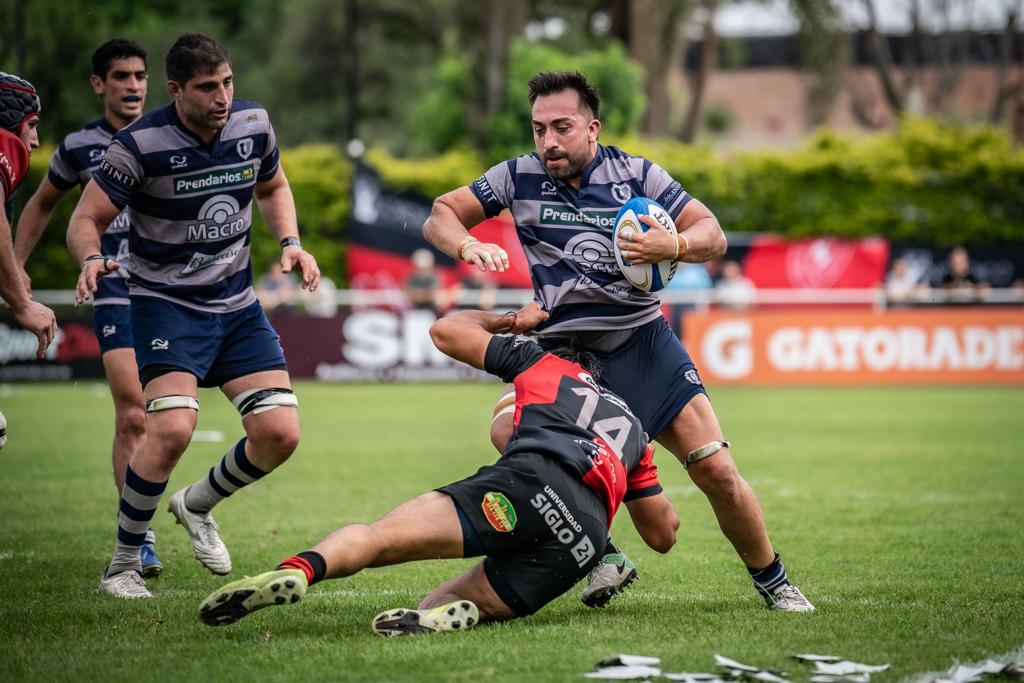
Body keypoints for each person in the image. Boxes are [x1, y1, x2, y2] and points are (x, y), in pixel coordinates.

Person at [422, 71, 813, 612]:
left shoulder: (637, 175)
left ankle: (774, 582)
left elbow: (712, 234)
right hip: (563, 349)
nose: (548, 142)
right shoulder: (517, 177)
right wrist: (465, 244)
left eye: (562, 127)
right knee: (507, 426)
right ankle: (604, 552)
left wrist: (672, 242)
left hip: (641, 343)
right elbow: (442, 212)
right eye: (539, 129)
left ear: (593, 128)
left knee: (716, 471)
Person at [196, 302, 679, 634]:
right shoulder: (635, 431)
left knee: (379, 537)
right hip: (581, 541)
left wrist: (509, 320)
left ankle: (299, 571)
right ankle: (444, 616)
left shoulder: (545, 365)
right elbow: (662, 535)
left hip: (528, 482)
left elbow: (446, 331)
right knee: (447, 602)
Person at [66, 33, 320, 599]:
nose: (223, 96)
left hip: (236, 306)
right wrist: (89, 257)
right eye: (208, 87)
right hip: (166, 306)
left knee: (279, 433)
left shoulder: (254, 124)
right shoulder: (139, 144)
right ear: (177, 90)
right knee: (173, 429)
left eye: (227, 82)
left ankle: (196, 504)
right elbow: (85, 219)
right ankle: (124, 564)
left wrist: (291, 241)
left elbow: (273, 184)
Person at [14, 39, 164, 576]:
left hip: (174, 294)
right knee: (132, 411)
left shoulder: (171, 135)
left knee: (172, 419)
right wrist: (15, 269)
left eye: (140, 75)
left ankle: (195, 506)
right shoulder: (80, 146)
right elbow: (42, 204)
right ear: (99, 84)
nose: (132, 85)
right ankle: (138, 537)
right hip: (115, 290)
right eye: (121, 75)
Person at [0, 72, 57, 359]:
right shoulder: (4, 142)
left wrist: (11, 270)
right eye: (31, 126)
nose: (34, 141)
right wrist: (23, 304)